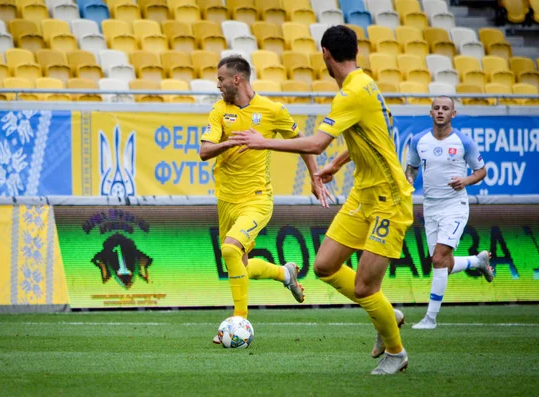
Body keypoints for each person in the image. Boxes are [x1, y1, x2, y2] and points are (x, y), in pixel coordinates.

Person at [230, 25, 412, 375]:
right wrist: (337, 164)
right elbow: (373, 136)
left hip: (389, 199)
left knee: (364, 286)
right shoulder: (366, 84)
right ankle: (387, 315)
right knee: (325, 266)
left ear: (326, 54)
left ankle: (395, 353)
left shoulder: (351, 93)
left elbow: (315, 142)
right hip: (364, 193)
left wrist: (262, 141)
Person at [199, 55, 328, 344]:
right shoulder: (220, 111)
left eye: (221, 79)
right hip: (226, 201)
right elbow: (204, 151)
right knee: (240, 267)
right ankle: (285, 273)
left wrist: (315, 176)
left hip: (257, 199)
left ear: (237, 79)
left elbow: (302, 143)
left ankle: (239, 322)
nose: (217, 84)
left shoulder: (272, 110)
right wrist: (227, 143)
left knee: (230, 251)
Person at [405, 96, 494, 330]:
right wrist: (408, 180)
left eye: (446, 108)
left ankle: (430, 319)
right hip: (430, 207)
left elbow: (481, 171)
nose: (441, 112)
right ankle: (478, 261)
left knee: (438, 259)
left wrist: (465, 180)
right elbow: (412, 167)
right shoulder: (418, 141)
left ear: (453, 114)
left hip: (454, 207)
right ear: (431, 113)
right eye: (437, 108)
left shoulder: (464, 142)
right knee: (442, 263)